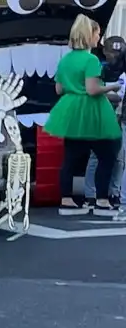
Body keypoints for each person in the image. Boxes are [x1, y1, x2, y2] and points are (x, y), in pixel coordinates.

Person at [46, 15, 121, 221]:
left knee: (70, 157)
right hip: (92, 111)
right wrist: (113, 86)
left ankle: (67, 200)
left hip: (70, 110)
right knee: (107, 154)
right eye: (97, 34)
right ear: (90, 35)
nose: (99, 37)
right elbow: (92, 89)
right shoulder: (91, 60)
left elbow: (59, 89)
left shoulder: (66, 59)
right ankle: (102, 200)